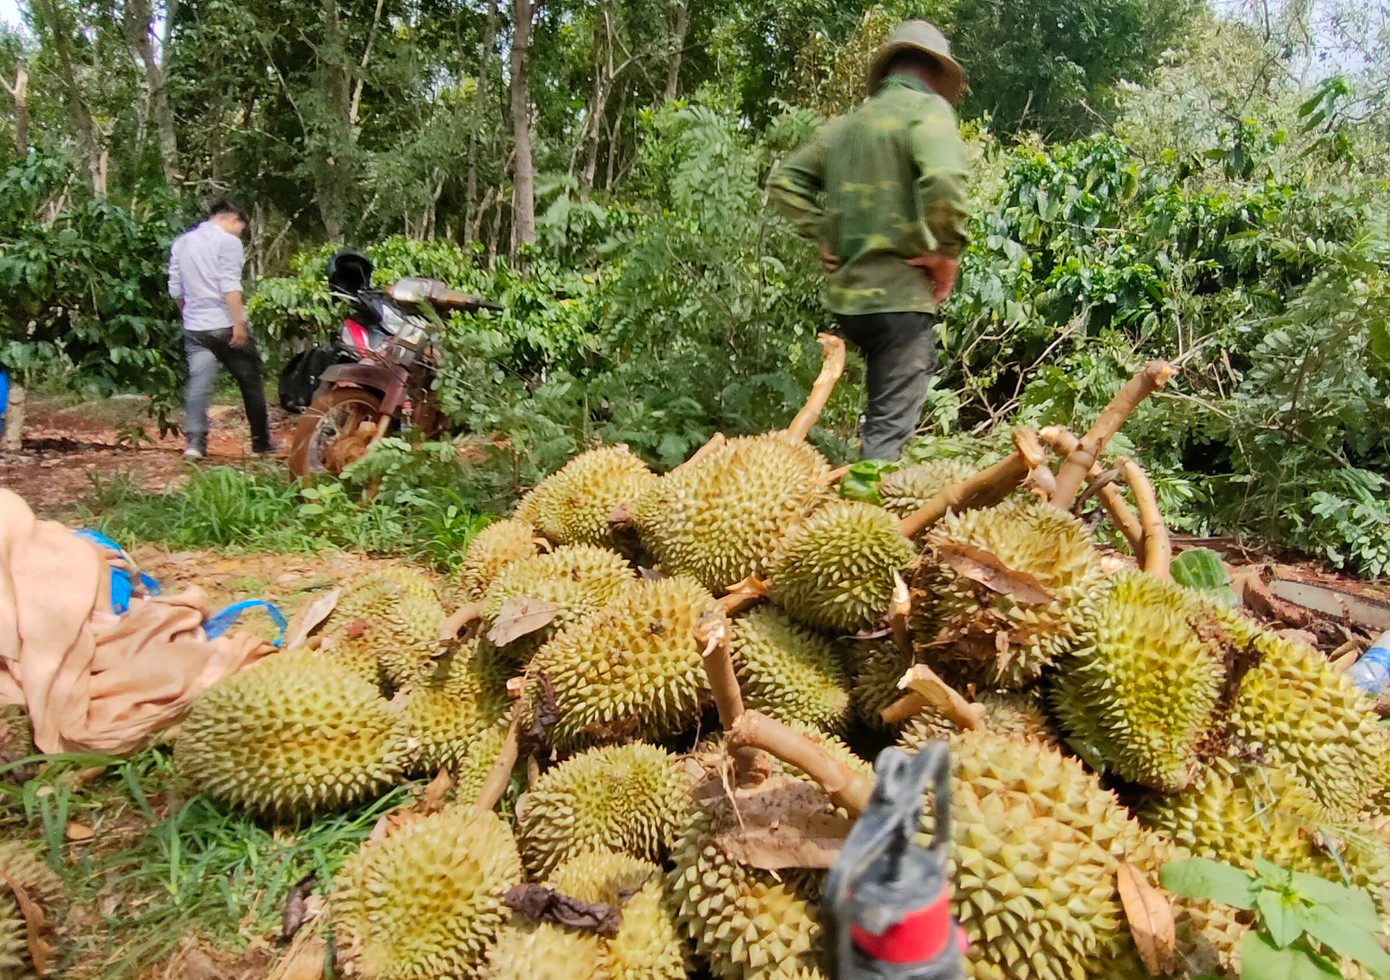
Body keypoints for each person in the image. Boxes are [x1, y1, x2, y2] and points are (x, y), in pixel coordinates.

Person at [769, 21, 970, 461]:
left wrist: (825, 233)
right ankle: (866, 517)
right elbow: (946, 179)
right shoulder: (928, 113)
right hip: (900, 302)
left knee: (869, 419)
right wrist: (946, 254)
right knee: (885, 438)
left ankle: (844, 502)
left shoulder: (847, 126)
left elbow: (784, 183)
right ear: (936, 75)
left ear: (889, 70)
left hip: (849, 304)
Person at [168, 200, 274, 459]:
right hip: (225, 323)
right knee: (250, 380)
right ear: (231, 220)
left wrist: (188, 312)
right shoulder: (228, 242)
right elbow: (230, 285)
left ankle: (195, 445)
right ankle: (260, 443)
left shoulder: (182, 243)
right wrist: (238, 323)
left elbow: (175, 289)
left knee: (198, 383)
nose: (240, 231)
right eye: (240, 226)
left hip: (195, 327)